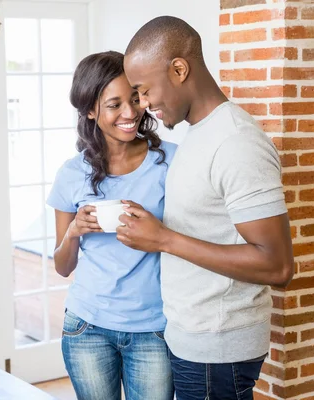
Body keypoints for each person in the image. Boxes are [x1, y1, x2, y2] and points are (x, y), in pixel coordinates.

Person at [116, 16, 295, 400]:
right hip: (196, 338)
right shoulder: (199, 133)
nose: (144, 105)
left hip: (218, 345)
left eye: (144, 91)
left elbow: (277, 265)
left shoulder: (236, 143)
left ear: (179, 69)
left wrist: (163, 239)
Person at [47, 50, 176, 400]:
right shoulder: (72, 174)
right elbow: (62, 267)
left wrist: (157, 233)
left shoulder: (171, 163)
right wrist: (74, 230)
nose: (130, 113)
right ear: (90, 110)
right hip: (87, 327)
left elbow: (190, 241)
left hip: (155, 329)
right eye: (114, 104)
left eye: (135, 99)